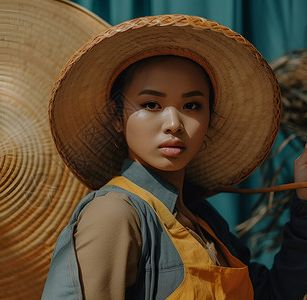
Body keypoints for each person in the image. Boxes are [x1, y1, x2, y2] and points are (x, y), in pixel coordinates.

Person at [42, 15, 307, 299]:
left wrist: (304, 200)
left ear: (209, 119)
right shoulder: (115, 214)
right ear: (117, 117)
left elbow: (274, 294)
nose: (174, 123)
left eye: (192, 105)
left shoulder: (204, 220)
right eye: (151, 104)